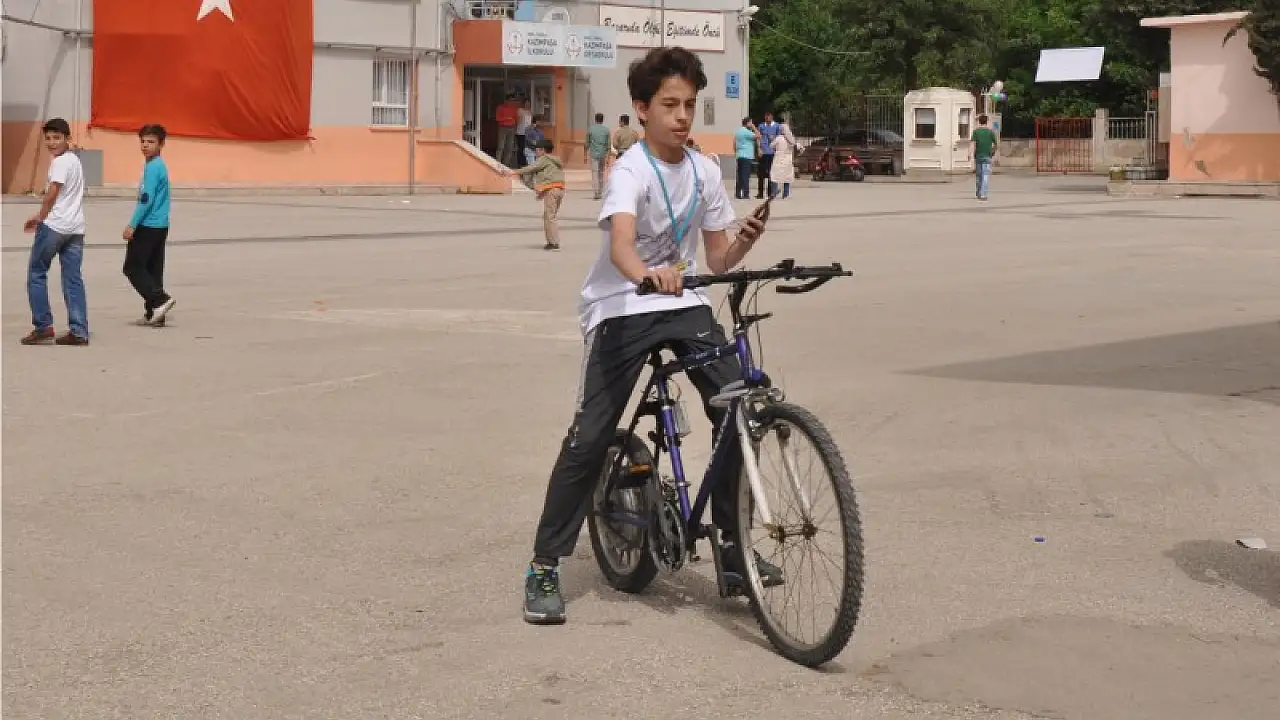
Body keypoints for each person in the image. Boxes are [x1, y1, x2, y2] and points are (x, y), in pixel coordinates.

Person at [521, 46, 775, 626]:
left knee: (738, 408)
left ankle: (733, 548)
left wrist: (745, 240)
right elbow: (621, 247)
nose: (682, 116)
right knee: (590, 435)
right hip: (623, 305)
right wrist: (647, 274)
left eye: (689, 105)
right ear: (642, 109)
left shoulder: (705, 170)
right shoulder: (630, 170)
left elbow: (717, 258)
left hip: (683, 302)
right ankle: (544, 564)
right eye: (669, 105)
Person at [21, 117, 89, 346]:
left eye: (57, 138)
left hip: (55, 226)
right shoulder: (75, 160)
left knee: (36, 273)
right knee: (73, 278)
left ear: (67, 138)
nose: (51, 142)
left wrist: (40, 217)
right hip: (75, 228)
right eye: (48, 138)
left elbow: (52, 193)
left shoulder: (59, 163)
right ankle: (79, 331)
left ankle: (43, 326)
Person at [122, 123, 176, 327]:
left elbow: (146, 199)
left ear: (161, 144)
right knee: (153, 269)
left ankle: (160, 300)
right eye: (143, 141)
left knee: (133, 267)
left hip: (148, 225)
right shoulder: (158, 165)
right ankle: (154, 313)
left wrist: (132, 224)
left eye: (151, 142)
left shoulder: (153, 168)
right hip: (161, 225)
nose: (145, 145)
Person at [504, 138, 565, 251]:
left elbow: (531, 168)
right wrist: (541, 193)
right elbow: (550, 178)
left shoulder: (544, 159)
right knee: (550, 216)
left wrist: (514, 172)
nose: (536, 152)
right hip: (559, 190)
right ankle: (552, 241)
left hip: (552, 190)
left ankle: (553, 243)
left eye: (537, 150)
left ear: (543, 150)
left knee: (549, 217)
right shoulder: (554, 160)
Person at [755, 111, 781, 199]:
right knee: (761, 174)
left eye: (769, 117)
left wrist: (774, 139)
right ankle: (760, 193)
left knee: (771, 173)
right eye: (766, 117)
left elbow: (779, 138)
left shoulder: (777, 126)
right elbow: (758, 138)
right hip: (763, 152)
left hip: (772, 153)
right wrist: (759, 148)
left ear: (772, 117)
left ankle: (770, 192)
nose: (767, 118)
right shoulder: (761, 126)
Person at [972, 114, 998, 201]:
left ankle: (978, 192)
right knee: (985, 175)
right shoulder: (990, 132)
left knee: (979, 175)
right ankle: (983, 194)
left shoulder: (976, 132)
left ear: (979, 122)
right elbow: (995, 144)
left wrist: (970, 154)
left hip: (978, 156)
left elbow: (973, 144)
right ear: (987, 122)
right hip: (987, 156)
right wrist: (993, 152)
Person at [586, 113, 612, 200]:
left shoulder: (591, 129)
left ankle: (596, 192)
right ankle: (600, 192)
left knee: (595, 173)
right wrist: (608, 157)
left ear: (595, 119)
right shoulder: (606, 130)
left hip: (594, 154)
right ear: (602, 120)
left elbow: (587, 143)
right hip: (603, 154)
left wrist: (584, 155)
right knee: (601, 173)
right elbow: (609, 145)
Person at [769, 119, 797, 199]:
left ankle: (774, 192)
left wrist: (771, 139)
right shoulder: (792, 139)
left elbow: (771, 146)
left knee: (774, 175)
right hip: (788, 159)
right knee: (787, 176)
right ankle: (786, 194)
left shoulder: (779, 138)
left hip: (779, 159)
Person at [733, 117, 757, 199]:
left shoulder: (738, 132)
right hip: (746, 156)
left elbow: (734, 143)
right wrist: (754, 128)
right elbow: (758, 136)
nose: (752, 124)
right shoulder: (747, 132)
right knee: (745, 175)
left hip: (739, 155)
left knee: (740, 175)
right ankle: (745, 194)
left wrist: (736, 153)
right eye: (751, 123)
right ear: (747, 123)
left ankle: (738, 193)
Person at [495, 93, 520, 166]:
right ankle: (497, 164)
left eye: (513, 101)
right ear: (506, 100)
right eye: (510, 100)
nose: (512, 102)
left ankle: (506, 164)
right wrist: (507, 118)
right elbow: (497, 118)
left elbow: (516, 119)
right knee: (501, 146)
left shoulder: (514, 108)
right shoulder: (500, 107)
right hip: (503, 128)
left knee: (509, 147)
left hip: (512, 128)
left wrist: (515, 127)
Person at [514, 98, 533, 169]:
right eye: (526, 103)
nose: (527, 104)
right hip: (520, 132)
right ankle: (520, 163)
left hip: (528, 133)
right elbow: (517, 120)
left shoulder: (530, 112)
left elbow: (531, 123)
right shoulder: (520, 110)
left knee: (526, 148)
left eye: (529, 103)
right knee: (521, 148)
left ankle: (525, 163)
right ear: (523, 104)